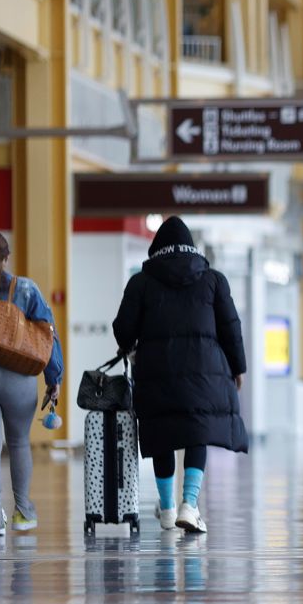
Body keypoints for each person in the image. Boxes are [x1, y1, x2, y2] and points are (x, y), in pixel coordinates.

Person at [113, 217, 248, 535]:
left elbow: (123, 329)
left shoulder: (141, 282)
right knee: (195, 432)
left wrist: (131, 342)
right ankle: (189, 504)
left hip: (156, 370)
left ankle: (167, 509)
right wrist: (237, 367)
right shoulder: (213, 280)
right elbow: (231, 328)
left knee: (163, 433)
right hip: (203, 372)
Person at [0, 232, 63, 537]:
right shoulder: (26, 289)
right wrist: (53, 378)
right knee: (18, 443)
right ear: (6, 258)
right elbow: (48, 334)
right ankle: (24, 512)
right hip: (18, 377)